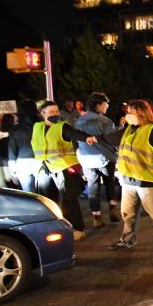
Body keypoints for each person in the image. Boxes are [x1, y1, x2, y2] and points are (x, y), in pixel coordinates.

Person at [95, 100, 153, 252]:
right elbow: (109, 139)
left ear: (140, 115)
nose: (127, 115)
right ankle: (127, 240)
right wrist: (89, 137)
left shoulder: (152, 131)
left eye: (130, 113)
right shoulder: (128, 130)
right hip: (127, 181)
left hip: (145, 181)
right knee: (127, 214)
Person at [31, 101, 98, 239]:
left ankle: (78, 229)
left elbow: (74, 133)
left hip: (64, 167)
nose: (55, 114)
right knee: (47, 201)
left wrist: (86, 137)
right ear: (42, 114)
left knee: (69, 199)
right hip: (44, 168)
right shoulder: (37, 127)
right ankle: (53, 229)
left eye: (56, 111)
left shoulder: (62, 126)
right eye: (51, 112)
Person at [76, 92, 121, 227]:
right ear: (99, 105)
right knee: (109, 184)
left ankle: (97, 217)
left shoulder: (79, 121)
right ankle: (112, 210)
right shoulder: (105, 121)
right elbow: (112, 139)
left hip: (86, 159)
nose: (107, 107)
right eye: (106, 104)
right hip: (105, 157)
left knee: (93, 187)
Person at [6, 101, 38, 192]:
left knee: (29, 193)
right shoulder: (41, 126)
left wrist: (12, 166)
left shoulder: (15, 129)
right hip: (41, 161)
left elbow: (12, 150)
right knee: (44, 194)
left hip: (23, 163)